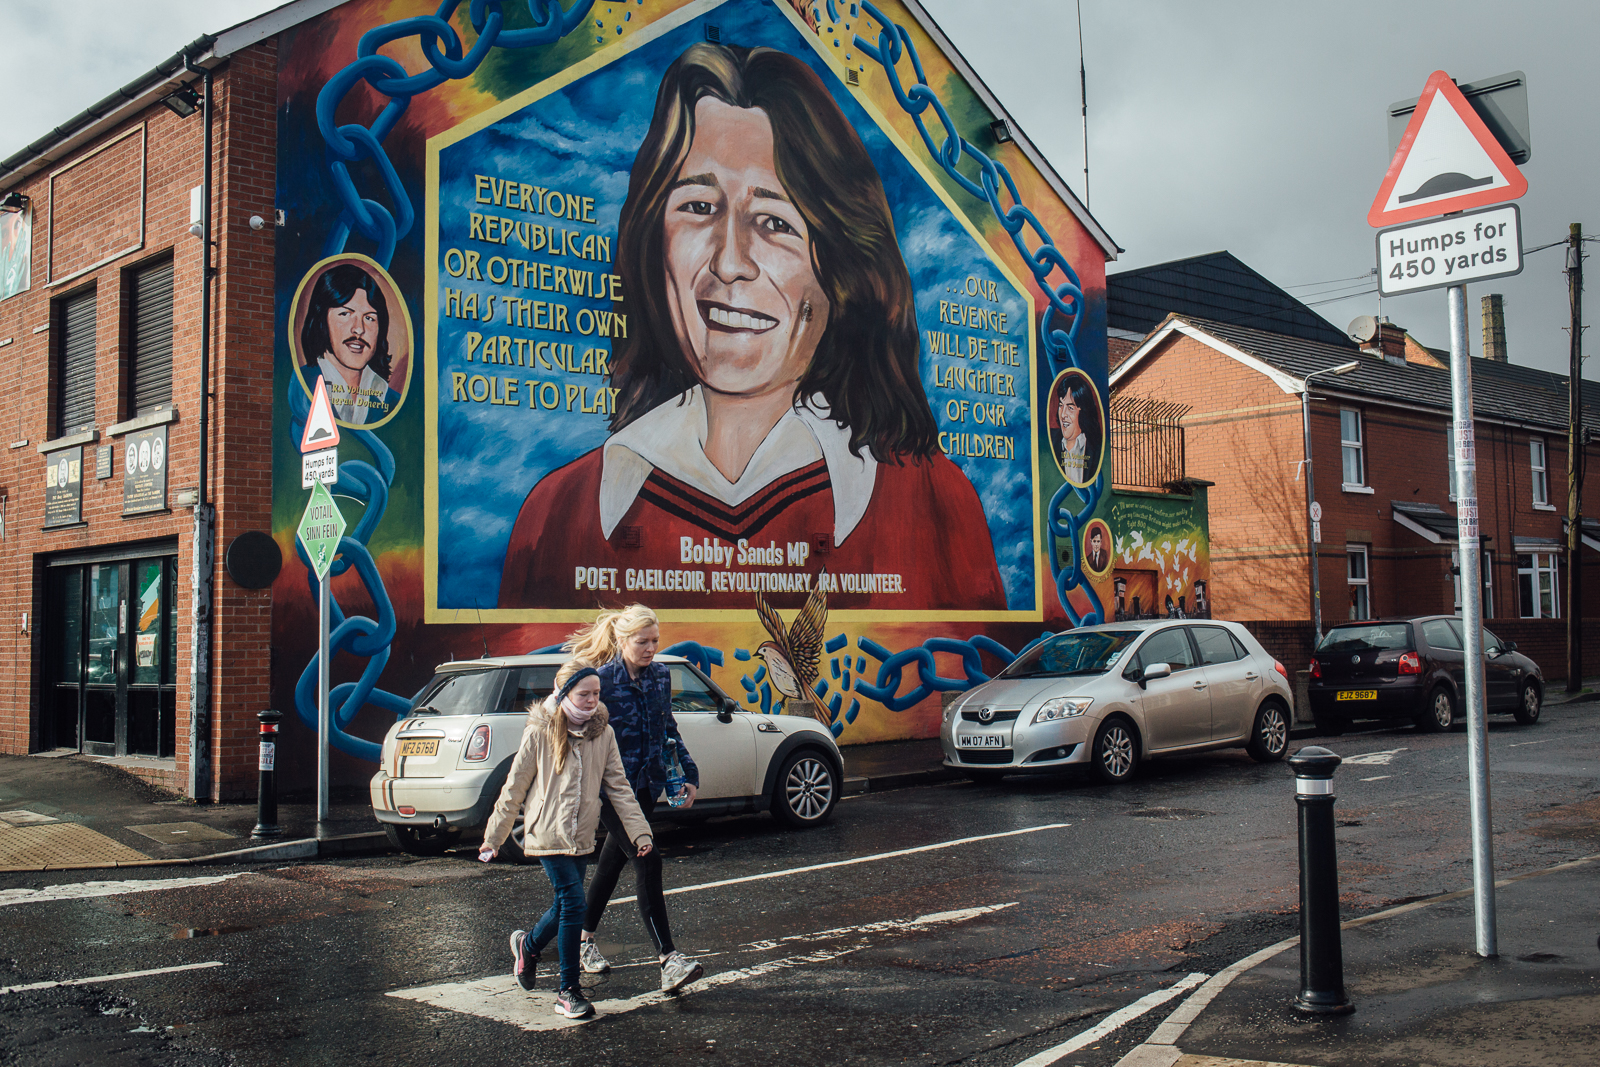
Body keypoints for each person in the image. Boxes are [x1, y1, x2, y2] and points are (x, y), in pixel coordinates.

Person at [498, 42, 1003, 611]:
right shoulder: (559, 514)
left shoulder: (933, 506)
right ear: (652, 242)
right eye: (697, 207)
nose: (729, 261)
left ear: (838, 265)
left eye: (773, 221)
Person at [479, 663, 654, 1020]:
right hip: (547, 832)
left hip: (582, 834)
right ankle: (568, 990)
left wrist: (640, 832)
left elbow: (619, 789)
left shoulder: (603, 734)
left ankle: (527, 946)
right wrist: (494, 837)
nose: (591, 701)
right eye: (583, 694)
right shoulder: (540, 731)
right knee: (575, 903)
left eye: (596, 694)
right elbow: (514, 788)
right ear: (563, 694)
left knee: (564, 907)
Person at [564, 605, 705, 993]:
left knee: (610, 865)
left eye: (655, 641)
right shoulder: (601, 680)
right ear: (623, 641)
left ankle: (558, 940)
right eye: (642, 642)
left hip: (646, 785)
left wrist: (686, 774)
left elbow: (667, 730)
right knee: (648, 858)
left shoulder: (661, 676)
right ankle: (668, 960)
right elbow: (571, 728)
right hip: (611, 789)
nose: (650, 649)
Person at [298, 262, 401, 424]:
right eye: (345, 314)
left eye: (369, 318)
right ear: (321, 320)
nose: (359, 329)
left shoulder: (392, 401)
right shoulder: (301, 387)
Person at [1055, 375, 1102, 486]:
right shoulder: (1050, 442)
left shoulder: (1096, 447)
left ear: (1083, 412)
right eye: (1061, 406)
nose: (1063, 414)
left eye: (1070, 408)